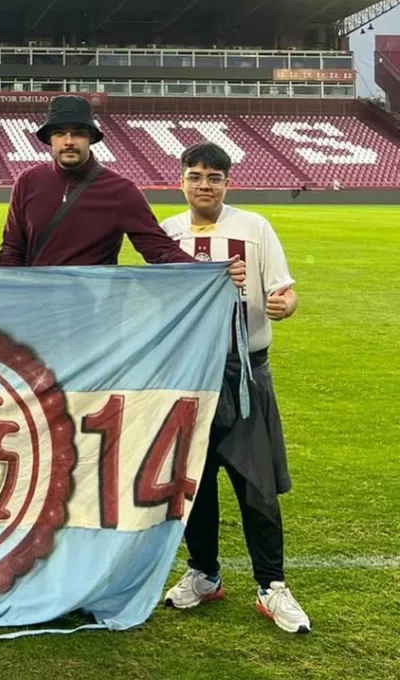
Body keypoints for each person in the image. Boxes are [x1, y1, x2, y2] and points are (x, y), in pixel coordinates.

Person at [161, 143, 309, 634]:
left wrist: (286, 303)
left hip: (245, 372)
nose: (205, 185)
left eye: (214, 177)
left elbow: (284, 290)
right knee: (195, 485)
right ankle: (204, 573)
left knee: (256, 486)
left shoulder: (255, 227)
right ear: (181, 180)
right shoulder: (169, 232)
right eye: (196, 176)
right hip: (191, 374)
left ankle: (272, 586)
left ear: (228, 183)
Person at [0, 96, 245, 289]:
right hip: (37, 309)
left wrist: (214, 272)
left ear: (91, 137)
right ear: (50, 139)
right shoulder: (28, 181)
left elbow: (159, 250)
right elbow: (12, 250)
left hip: (92, 313)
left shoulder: (121, 191)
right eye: (60, 133)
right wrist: (16, 296)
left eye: (78, 133)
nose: (69, 141)